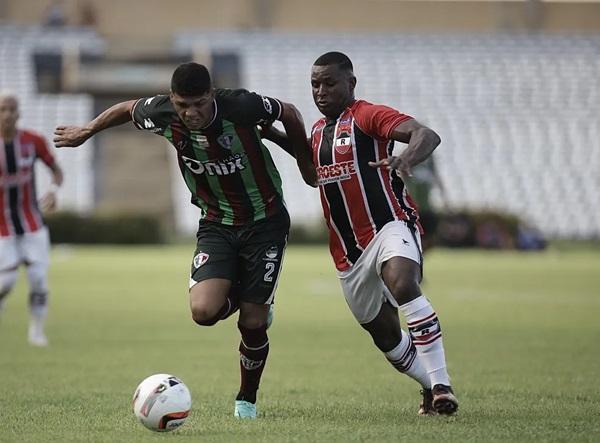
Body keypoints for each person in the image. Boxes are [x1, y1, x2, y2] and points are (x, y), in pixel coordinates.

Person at [53, 62, 317, 419]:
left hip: (265, 221)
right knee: (203, 312)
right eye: (182, 105)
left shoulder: (240, 106)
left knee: (253, 323)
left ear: (211, 95)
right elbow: (126, 109)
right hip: (216, 223)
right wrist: (88, 129)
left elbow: (289, 111)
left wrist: (304, 160)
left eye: (199, 103)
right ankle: (252, 293)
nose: (191, 113)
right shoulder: (161, 111)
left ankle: (246, 400)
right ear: (172, 100)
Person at [264, 52, 458, 415]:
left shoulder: (368, 116)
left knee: (402, 283)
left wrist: (406, 159)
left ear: (350, 84)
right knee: (384, 335)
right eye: (315, 84)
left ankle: (443, 384)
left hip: (389, 225)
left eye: (330, 83)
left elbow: (425, 134)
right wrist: (275, 136)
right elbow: (312, 174)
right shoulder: (320, 132)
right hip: (348, 252)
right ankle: (431, 387)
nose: (321, 91)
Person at [0, 92, 64, 347]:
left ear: (18, 113)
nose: (7, 115)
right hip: (2, 227)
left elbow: (56, 170)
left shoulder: (32, 141)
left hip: (32, 223)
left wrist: (54, 191)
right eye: (3, 109)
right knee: (6, 282)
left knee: (38, 279)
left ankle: (37, 332)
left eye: (11, 109)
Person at [404, 155, 446, 252]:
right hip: (414, 209)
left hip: (426, 209)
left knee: (430, 237)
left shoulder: (429, 168)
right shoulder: (410, 167)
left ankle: (420, 253)